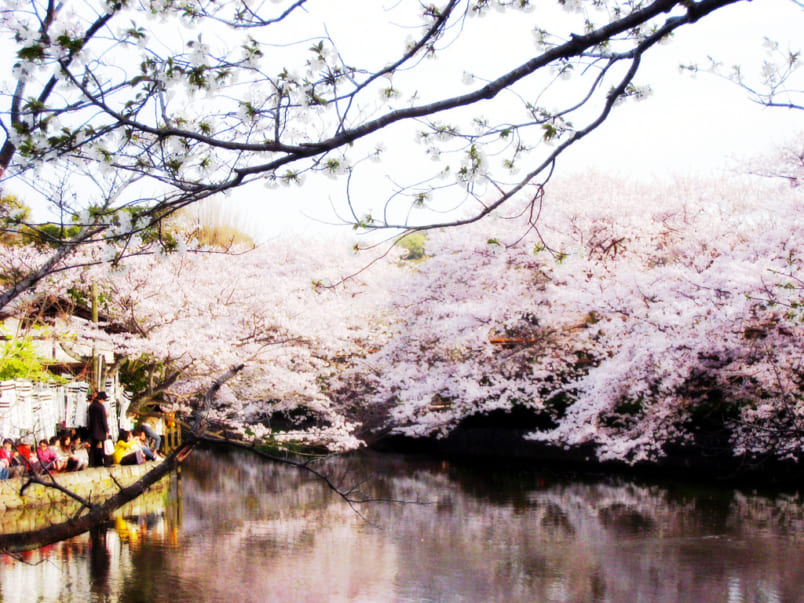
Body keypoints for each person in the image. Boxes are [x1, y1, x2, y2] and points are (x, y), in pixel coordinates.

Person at [87, 391, 110, 467]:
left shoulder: (91, 405)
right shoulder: (101, 407)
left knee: (93, 447)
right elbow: (104, 420)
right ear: (102, 399)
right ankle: (107, 463)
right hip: (101, 430)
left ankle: (91, 463)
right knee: (105, 447)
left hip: (93, 429)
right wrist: (106, 430)